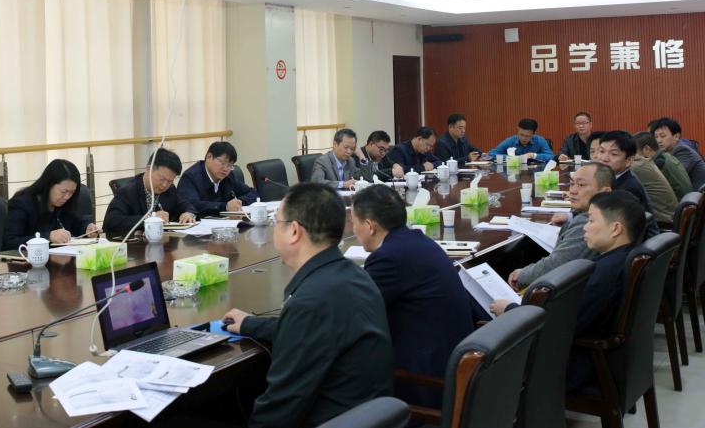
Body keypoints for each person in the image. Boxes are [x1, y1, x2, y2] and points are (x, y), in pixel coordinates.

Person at [223, 183, 393, 428]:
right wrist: (251, 324)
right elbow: (313, 330)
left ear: (294, 231)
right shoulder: (354, 275)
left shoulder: (312, 301)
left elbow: (280, 408)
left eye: (276, 222)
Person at [491, 191, 645, 390]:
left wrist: (511, 309)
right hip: (591, 357)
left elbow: (558, 328)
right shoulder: (621, 258)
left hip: (572, 364)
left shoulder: (604, 274)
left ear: (615, 229)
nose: (585, 228)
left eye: (591, 221)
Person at [352, 185, 475, 409]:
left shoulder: (388, 257)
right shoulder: (419, 241)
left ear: (369, 226)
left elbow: (354, 312)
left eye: (354, 223)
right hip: (453, 369)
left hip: (426, 385)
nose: (353, 229)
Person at [506, 162, 612, 290]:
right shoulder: (604, 212)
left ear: (605, 192)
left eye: (581, 185)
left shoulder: (588, 223)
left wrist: (522, 275)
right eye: (572, 184)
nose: (572, 191)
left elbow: (556, 265)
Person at [3, 160, 97, 249]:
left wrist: (86, 228)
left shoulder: (67, 202)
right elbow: (10, 241)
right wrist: (48, 237)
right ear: (48, 185)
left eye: (72, 192)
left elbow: (75, 223)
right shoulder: (21, 204)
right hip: (28, 258)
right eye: (63, 191)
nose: (67, 197)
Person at [102, 149, 196, 235]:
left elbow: (186, 205)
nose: (164, 185)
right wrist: (151, 218)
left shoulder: (170, 190)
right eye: (162, 179)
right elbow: (111, 222)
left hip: (163, 243)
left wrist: (189, 213)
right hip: (135, 245)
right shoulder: (127, 191)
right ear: (148, 169)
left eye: (170, 181)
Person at [595, 131, 658, 238]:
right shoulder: (615, 178)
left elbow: (615, 229)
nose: (604, 158)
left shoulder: (628, 189)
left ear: (629, 160)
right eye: (601, 151)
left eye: (613, 154)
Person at [177, 141, 258, 217]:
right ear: (209, 157)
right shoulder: (190, 177)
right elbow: (190, 205)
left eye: (230, 165)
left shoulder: (228, 176)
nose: (225, 169)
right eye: (222, 163)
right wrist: (225, 206)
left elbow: (253, 193)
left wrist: (238, 203)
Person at [629, 143, 678, 225]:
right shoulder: (643, 161)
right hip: (671, 215)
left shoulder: (635, 166)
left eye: (613, 154)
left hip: (663, 222)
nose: (606, 158)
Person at [635, 131, 693, 199]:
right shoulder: (665, 156)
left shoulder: (658, 163)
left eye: (636, 154)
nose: (635, 157)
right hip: (687, 199)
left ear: (647, 149)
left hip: (679, 202)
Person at [651, 118, 705, 191]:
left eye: (663, 136)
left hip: (698, 194)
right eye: (656, 137)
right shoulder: (668, 151)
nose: (659, 140)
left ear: (676, 136)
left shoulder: (682, 150)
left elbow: (674, 176)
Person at [489, 118, 554, 163]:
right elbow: (491, 154)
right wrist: (513, 158)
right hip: (515, 172)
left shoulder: (540, 140)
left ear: (534, 134)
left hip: (535, 173)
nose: (523, 138)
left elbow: (551, 157)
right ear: (518, 129)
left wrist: (533, 155)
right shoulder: (510, 141)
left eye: (527, 136)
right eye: (521, 134)